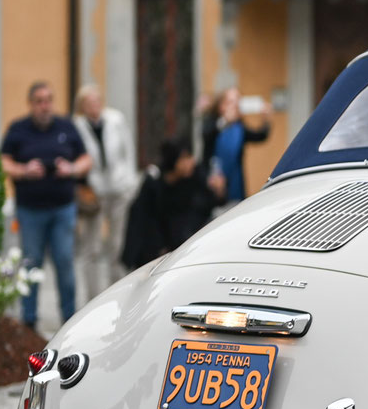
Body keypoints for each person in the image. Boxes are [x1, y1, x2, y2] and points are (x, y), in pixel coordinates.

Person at [1, 82, 91, 328]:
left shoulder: (66, 127)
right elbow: (3, 162)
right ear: (31, 104)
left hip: (62, 209)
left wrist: (71, 168)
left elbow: (86, 159)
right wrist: (23, 170)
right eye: (39, 101)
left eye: (48, 100)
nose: (44, 106)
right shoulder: (18, 129)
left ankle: (70, 320)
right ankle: (29, 321)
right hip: (30, 211)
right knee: (31, 265)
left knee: (64, 262)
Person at [121, 137, 228, 270]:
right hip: (153, 254)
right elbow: (142, 222)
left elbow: (209, 204)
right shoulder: (153, 183)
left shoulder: (194, 175)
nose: (191, 162)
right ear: (173, 161)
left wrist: (219, 191)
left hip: (186, 248)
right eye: (185, 158)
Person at [71, 84, 137, 297]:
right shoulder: (76, 126)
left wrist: (130, 180)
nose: (94, 107)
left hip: (119, 187)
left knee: (117, 244)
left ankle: (117, 293)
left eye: (97, 101)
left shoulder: (115, 120)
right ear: (82, 106)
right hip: (94, 192)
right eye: (89, 103)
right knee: (92, 247)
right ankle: (93, 297)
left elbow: (128, 151)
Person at [201, 87, 271, 207]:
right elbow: (207, 136)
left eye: (238, 102)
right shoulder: (213, 124)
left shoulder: (239, 128)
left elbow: (260, 136)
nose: (235, 106)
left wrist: (266, 119)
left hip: (236, 189)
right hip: (214, 191)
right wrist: (225, 121)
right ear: (221, 106)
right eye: (231, 102)